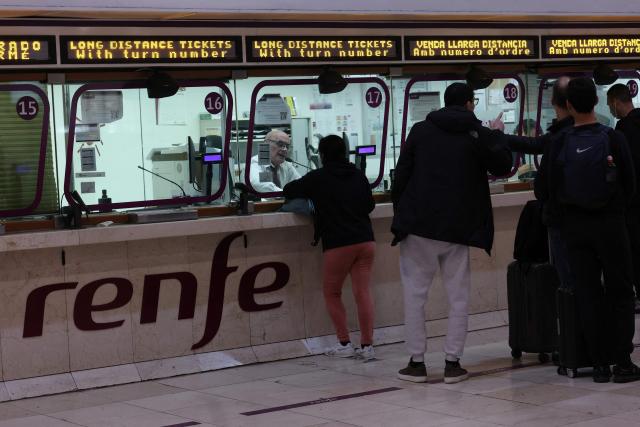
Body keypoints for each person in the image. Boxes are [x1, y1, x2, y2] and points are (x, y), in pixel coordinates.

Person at [391, 82, 512, 383]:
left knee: (414, 296)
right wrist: (496, 134)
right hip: (458, 227)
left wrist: (404, 212)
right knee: (458, 297)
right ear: (470, 104)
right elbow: (503, 165)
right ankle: (452, 362)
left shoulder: (420, 130)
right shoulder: (475, 134)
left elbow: (402, 174)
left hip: (418, 226)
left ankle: (417, 363)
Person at [536, 77, 639, 383]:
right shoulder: (612, 137)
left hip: (575, 229)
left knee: (588, 293)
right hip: (610, 224)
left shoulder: (558, 143)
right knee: (620, 291)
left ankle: (598, 365)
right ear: (596, 102)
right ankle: (622, 362)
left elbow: (545, 189)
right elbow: (630, 183)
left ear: (567, 106)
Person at [283, 135, 376, 360]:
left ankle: (344, 343)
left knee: (332, 292)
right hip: (366, 241)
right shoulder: (358, 174)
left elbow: (289, 190)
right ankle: (367, 346)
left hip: (339, 243)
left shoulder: (318, 178)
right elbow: (370, 205)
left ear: (321, 155)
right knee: (362, 292)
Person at [506, 77, 575, 288]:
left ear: (555, 103)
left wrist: (495, 136)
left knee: (568, 278)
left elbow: (543, 185)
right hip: (592, 218)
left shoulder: (558, 138)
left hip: (560, 218)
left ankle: (571, 317)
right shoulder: (605, 135)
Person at [607, 83, 640, 313]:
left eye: (610, 105)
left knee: (635, 254)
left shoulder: (621, 132)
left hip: (632, 206)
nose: (611, 109)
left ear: (617, 102)